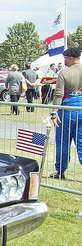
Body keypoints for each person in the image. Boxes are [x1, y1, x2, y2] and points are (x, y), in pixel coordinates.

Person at [49, 47, 82, 180]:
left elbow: (58, 94)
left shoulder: (64, 73)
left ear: (69, 58)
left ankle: (60, 170)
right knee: (81, 141)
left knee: (63, 141)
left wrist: (54, 112)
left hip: (68, 108)